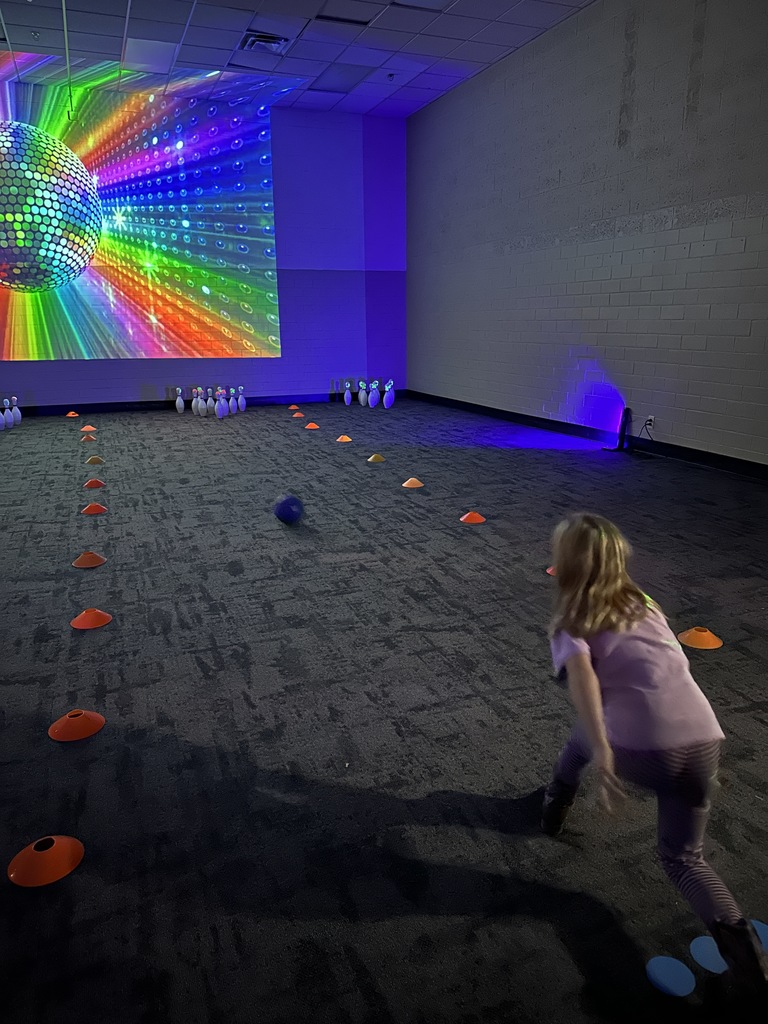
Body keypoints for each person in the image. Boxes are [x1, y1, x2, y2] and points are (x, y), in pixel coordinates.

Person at [542, 512, 767, 1000]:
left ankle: (556, 799)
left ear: (565, 563)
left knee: (583, 736)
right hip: (705, 740)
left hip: (647, 751)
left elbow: (582, 684)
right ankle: (746, 957)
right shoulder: (643, 601)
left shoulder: (572, 619)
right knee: (686, 858)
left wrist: (604, 752)